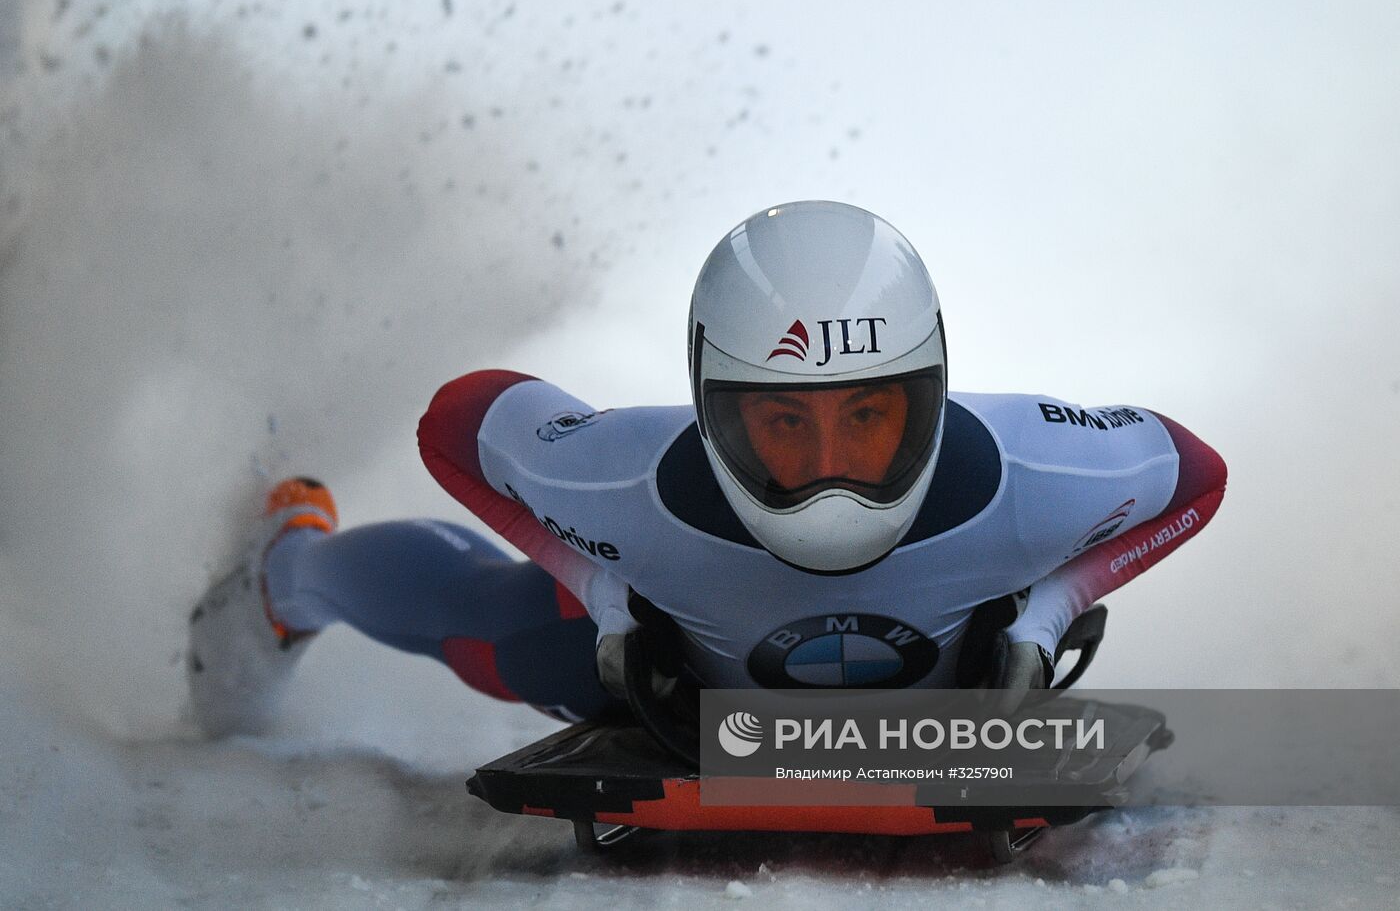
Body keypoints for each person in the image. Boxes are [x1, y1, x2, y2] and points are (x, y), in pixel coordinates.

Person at [186, 200, 1227, 737]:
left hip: (905, 672)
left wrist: (1046, 611)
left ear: (929, 386)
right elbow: (458, 423)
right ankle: (291, 569)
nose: (828, 474)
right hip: (672, 671)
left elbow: (1196, 474)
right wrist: (599, 590)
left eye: (866, 417)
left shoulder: (1039, 469)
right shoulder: (620, 481)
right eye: (782, 421)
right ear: (710, 398)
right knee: (502, 628)